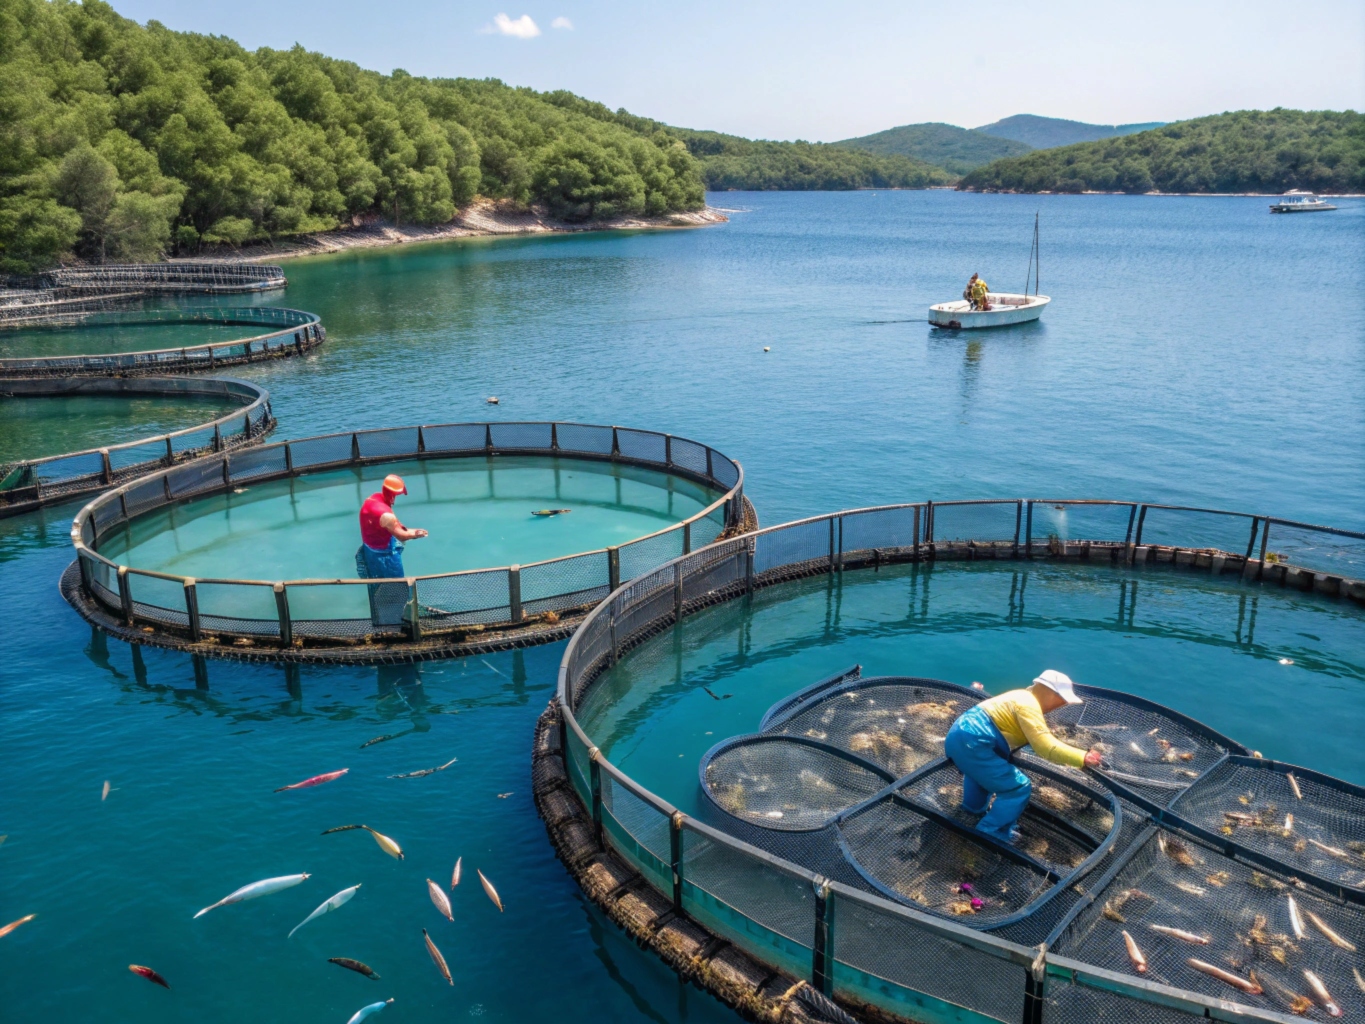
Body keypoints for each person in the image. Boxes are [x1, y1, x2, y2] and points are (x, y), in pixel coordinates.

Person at [943, 670, 1102, 843]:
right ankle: (990, 831)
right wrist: (1082, 757)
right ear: (1049, 692)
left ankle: (971, 811)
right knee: (1018, 788)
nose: (1062, 704)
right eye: (1061, 699)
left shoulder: (1020, 695)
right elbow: (1045, 746)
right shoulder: (1028, 704)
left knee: (979, 775)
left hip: (958, 737)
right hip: (973, 742)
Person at [356, 474, 428, 624]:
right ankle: (398, 619)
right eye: (395, 495)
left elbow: (396, 525)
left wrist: (409, 529)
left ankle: (384, 615)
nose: (395, 500)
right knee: (396, 585)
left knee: (378, 586)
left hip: (369, 549)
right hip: (384, 556)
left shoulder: (373, 499)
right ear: (392, 495)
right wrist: (417, 534)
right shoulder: (385, 515)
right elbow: (401, 535)